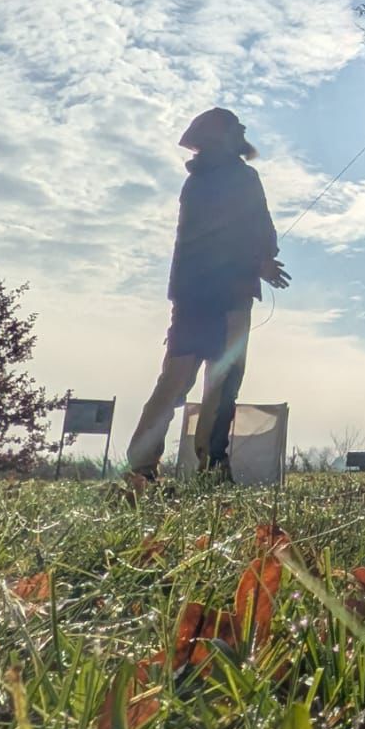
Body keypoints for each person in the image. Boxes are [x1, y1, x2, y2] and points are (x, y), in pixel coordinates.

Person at [123, 108, 289, 480]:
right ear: (223, 137)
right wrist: (258, 263)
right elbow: (239, 234)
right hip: (224, 296)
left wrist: (260, 259)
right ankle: (210, 467)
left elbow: (244, 234)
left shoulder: (197, 182)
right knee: (219, 384)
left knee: (176, 381)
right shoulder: (240, 179)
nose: (243, 132)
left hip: (192, 296)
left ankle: (142, 467)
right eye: (237, 129)